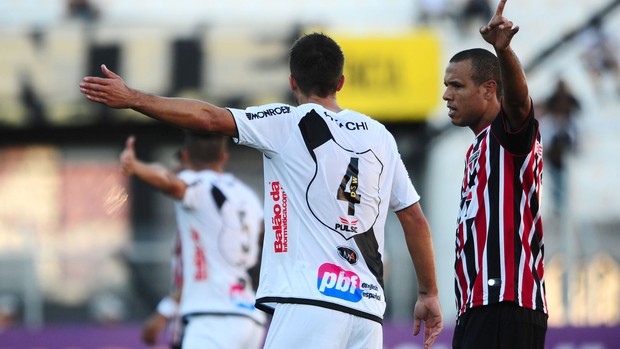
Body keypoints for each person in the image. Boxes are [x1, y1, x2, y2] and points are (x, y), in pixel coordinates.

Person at [81, 32, 443, 349]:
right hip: (366, 314)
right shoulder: (380, 136)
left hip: (308, 301)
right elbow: (414, 218)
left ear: (292, 81)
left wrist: (133, 98)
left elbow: (208, 118)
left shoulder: (287, 122)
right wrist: (428, 292)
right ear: (341, 82)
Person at [442, 0, 548, 348]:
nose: (447, 95)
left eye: (457, 85)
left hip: (507, 304)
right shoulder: (478, 149)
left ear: (489, 89)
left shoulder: (509, 134)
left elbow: (518, 104)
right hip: (477, 308)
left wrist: (503, 51)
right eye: (447, 86)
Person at [119, 133, 267, 349]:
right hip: (250, 318)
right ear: (224, 157)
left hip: (213, 318)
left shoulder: (196, 184)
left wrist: (136, 167)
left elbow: (168, 181)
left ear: (186, 156)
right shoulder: (248, 197)